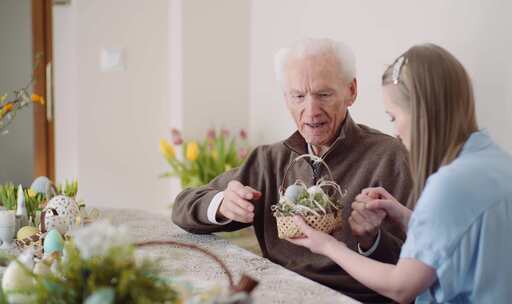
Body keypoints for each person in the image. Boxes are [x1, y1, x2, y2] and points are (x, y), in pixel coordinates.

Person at [288, 43, 512, 303]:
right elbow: (462, 237)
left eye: (393, 117)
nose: (396, 132)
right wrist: (404, 216)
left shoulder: (451, 184)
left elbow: (401, 288)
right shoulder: (500, 165)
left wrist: (328, 246)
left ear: (422, 113)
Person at [172, 38, 412, 303]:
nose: (311, 111)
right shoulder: (269, 159)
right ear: (286, 98)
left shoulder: (390, 156)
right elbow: (182, 205)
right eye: (298, 96)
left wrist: (372, 241)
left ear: (351, 91)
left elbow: (414, 270)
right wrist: (221, 205)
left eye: (324, 94)